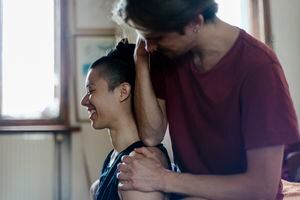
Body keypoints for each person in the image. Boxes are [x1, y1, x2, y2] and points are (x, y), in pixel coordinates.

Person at [113, 0, 300, 199]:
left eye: (156, 37)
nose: (150, 46)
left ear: (195, 22)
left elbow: (262, 189)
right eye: (145, 37)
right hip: (192, 188)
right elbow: (151, 135)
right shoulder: (165, 53)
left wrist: (163, 178)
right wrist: (140, 60)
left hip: (242, 194)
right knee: (132, 181)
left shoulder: (259, 67)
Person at [81, 39, 172, 200]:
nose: (84, 101)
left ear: (123, 91)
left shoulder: (140, 167)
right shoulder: (115, 157)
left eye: (91, 91)